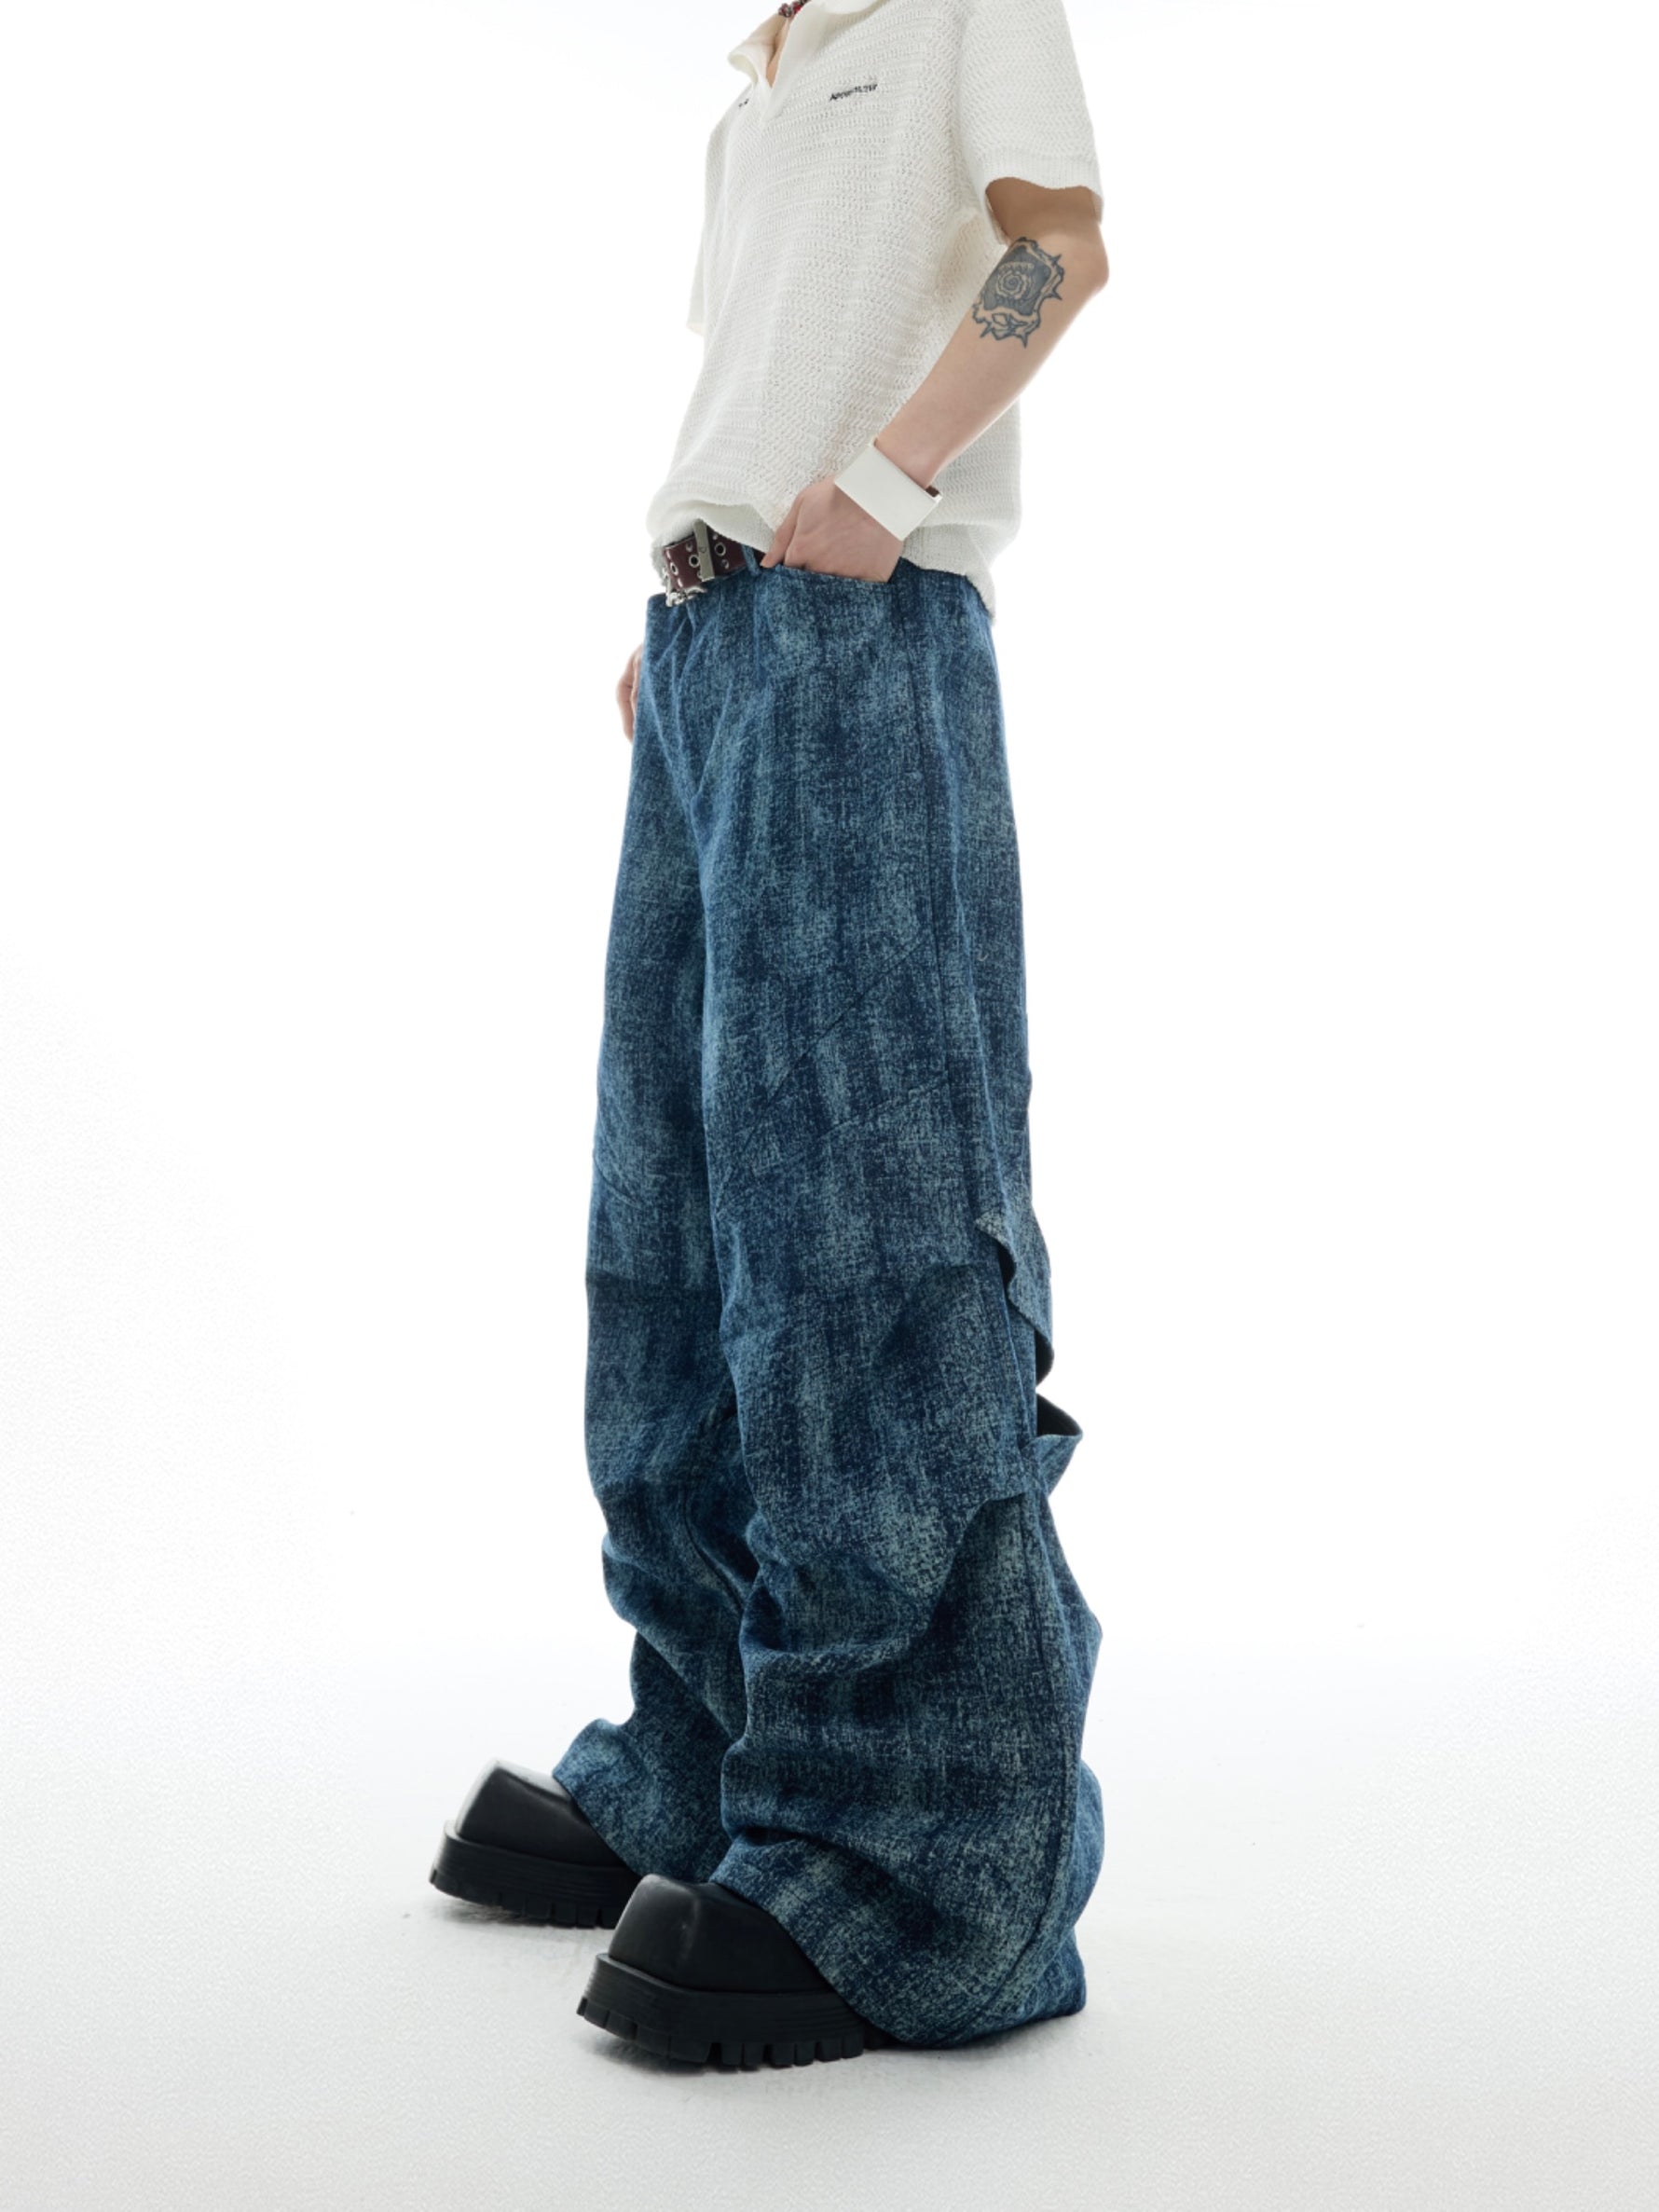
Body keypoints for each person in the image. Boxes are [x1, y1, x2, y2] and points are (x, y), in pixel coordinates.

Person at [432, 0, 1111, 2070]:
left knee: (865, 1235)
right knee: (674, 1228)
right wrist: (686, 613)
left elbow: (1060, 244)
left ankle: (930, 1864)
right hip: (712, 639)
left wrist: (887, 484)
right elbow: (765, 372)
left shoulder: (958, 9)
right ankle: (714, 1754)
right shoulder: (765, 80)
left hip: (855, 620)